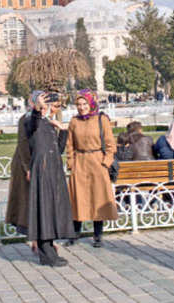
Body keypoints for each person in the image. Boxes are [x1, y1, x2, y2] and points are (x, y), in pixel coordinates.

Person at [65, 89, 117, 248]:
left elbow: (110, 144)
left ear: (91, 103)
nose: (81, 107)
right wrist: (71, 163)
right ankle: (74, 234)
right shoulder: (74, 121)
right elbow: (70, 145)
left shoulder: (101, 120)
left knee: (97, 197)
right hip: (80, 162)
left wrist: (105, 163)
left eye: (84, 104)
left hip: (97, 162)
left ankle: (98, 235)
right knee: (77, 198)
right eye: (79, 104)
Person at [27, 92, 74, 266]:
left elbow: (59, 149)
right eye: (48, 105)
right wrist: (38, 107)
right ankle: (45, 251)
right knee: (44, 209)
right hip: (43, 170)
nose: (51, 109)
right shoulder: (34, 121)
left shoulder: (48, 123)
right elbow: (33, 121)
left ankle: (47, 251)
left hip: (53, 171)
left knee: (51, 209)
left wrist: (62, 130)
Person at [6, 91, 40, 236]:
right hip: (25, 162)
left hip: (38, 161)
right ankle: (33, 237)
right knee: (26, 201)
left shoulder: (44, 118)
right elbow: (23, 143)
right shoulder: (25, 119)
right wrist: (27, 167)